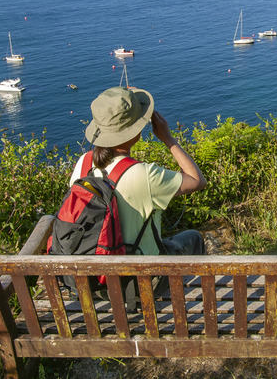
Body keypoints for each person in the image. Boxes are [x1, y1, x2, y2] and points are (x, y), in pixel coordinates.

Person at [71, 86, 207, 297]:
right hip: (139, 283)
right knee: (194, 238)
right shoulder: (143, 175)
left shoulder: (83, 165)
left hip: (94, 282)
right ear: (135, 130)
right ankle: (184, 300)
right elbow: (197, 181)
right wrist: (167, 138)